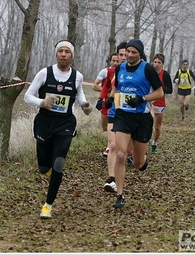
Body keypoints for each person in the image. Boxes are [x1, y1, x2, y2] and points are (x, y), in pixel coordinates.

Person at [24, 40, 92, 219]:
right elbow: (27, 96)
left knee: (59, 163)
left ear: (71, 56)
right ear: (56, 54)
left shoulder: (77, 76)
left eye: (67, 52)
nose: (63, 54)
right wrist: (42, 102)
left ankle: (48, 205)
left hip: (65, 124)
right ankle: (49, 170)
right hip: (45, 123)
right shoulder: (44, 73)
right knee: (43, 167)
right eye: (60, 51)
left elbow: (78, 93)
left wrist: (84, 104)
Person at [105, 39, 164, 208]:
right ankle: (119, 195)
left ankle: (143, 160)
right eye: (128, 52)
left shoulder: (148, 69)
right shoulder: (120, 68)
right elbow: (116, 87)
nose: (129, 55)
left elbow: (159, 92)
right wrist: (110, 99)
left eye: (133, 52)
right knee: (121, 154)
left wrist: (142, 98)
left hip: (142, 118)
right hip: (123, 115)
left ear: (140, 53)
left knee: (138, 163)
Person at [101, 42, 128, 193]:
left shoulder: (139, 70)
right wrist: (103, 99)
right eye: (121, 55)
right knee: (112, 145)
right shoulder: (113, 70)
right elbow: (105, 86)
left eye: (126, 54)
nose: (124, 57)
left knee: (125, 152)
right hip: (114, 110)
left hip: (130, 114)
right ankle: (111, 179)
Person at [92, 52, 120, 157]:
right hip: (105, 101)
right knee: (105, 126)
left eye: (117, 61)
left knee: (113, 124)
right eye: (114, 61)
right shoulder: (105, 71)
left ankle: (110, 147)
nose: (115, 63)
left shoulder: (121, 71)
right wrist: (107, 93)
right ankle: (112, 144)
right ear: (110, 61)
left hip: (116, 100)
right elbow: (95, 86)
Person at [150, 53, 173, 153]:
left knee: (157, 127)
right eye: (155, 62)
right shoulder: (149, 72)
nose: (156, 64)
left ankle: (154, 143)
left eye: (159, 62)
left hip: (160, 103)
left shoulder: (165, 74)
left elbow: (170, 90)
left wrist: (160, 91)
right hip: (150, 102)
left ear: (162, 64)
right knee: (148, 123)